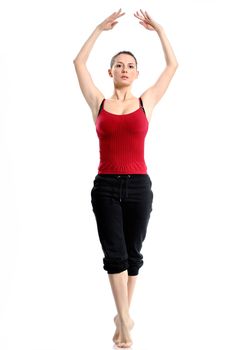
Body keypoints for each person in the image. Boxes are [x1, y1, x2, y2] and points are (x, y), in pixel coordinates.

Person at [73, 8, 178, 348]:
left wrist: (160, 30)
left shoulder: (146, 101)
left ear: (136, 73)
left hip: (139, 187)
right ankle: (127, 325)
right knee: (114, 254)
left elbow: (172, 67)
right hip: (105, 187)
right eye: (119, 64)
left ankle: (122, 317)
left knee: (133, 255)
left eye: (130, 65)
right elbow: (78, 63)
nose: (124, 69)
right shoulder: (98, 103)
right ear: (111, 71)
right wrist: (98, 29)